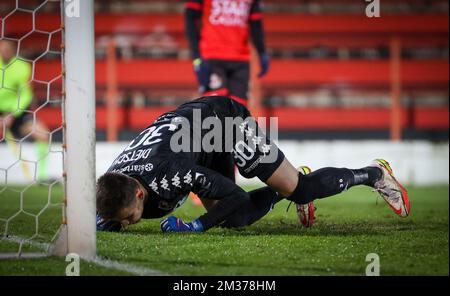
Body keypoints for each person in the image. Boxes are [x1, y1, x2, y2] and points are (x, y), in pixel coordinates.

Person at [96, 96, 410, 233]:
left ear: (139, 194)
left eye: (128, 218)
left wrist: (196, 226)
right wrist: (108, 221)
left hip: (223, 123)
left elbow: (236, 195)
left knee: (299, 191)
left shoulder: (169, 172)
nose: (127, 224)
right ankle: (282, 187)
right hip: (191, 134)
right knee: (235, 220)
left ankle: (375, 173)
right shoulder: (116, 181)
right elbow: (111, 206)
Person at [184, 0, 269, 101]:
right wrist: (196, 57)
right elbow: (190, 18)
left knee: (238, 110)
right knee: (215, 108)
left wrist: (262, 51)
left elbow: (256, 24)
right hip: (212, 57)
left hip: (241, 59)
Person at [0, 40, 49, 181]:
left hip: (17, 113)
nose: (4, 52)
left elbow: (25, 94)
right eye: (1, 49)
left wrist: (12, 114)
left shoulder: (22, 67)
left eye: (7, 49)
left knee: (43, 134)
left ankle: (42, 176)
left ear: (13, 50)